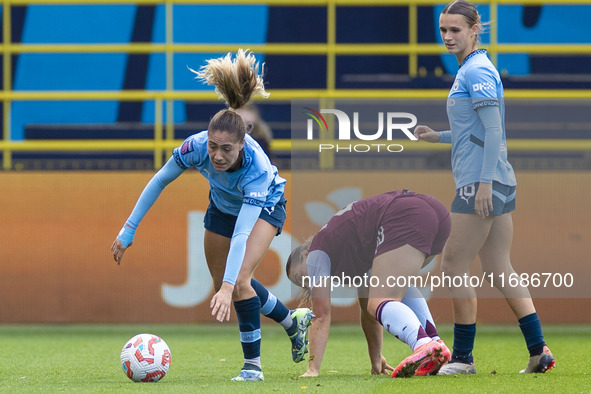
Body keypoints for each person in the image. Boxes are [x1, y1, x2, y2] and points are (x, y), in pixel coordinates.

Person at [111, 49, 313, 382]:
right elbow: (159, 180)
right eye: (213, 146)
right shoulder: (195, 147)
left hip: (265, 209)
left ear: (242, 145)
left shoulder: (257, 171)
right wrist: (128, 230)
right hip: (221, 205)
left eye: (226, 149)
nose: (217, 155)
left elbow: (242, 235)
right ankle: (292, 322)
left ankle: (253, 368)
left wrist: (231, 286)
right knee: (225, 285)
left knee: (238, 283)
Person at [413, 0, 555, 375]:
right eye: (443, 29)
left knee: (453, 265)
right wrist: (438, 136)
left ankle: (462, 358)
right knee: (498, 267)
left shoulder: (475, 72)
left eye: (455, 30)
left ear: (475, 30)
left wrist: (483, 185)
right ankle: (539, 351)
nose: (447, 36)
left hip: (482, 182)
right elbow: (473, 131)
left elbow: (494, 131)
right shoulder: (474, 69)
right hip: (496, 179)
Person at [287, 190, 452, 378]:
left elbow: (321, 315)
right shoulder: (346, 250)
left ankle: (422, 344)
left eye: (301, 277)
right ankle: (436, 345)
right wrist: (376, 358)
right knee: (383, 295)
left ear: (304, 255)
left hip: (404, 214)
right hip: (435, 213)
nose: (307, 284)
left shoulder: (316, 254)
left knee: (381, 300)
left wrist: (312, 369)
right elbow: (367, 311)